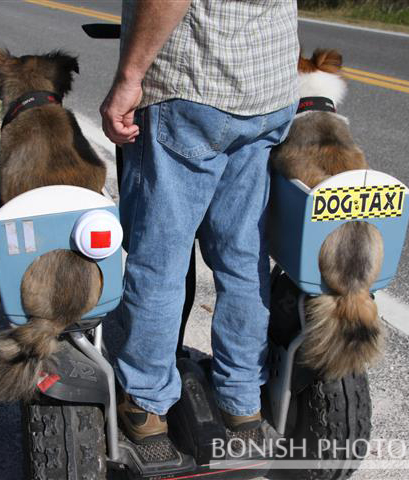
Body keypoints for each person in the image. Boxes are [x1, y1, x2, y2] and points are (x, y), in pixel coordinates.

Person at [100, 0, 300, 452]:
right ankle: (242, 398)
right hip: (269, 91)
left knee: (160, 260)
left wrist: (129, 78)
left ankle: (147, 403)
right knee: (242, 256)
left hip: (194, 88)